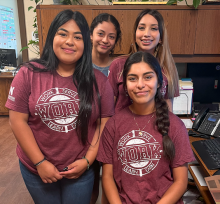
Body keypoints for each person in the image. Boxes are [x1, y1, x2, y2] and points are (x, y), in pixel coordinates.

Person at [5, 10, 114, 204]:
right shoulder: (27, 73)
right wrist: (40, 162)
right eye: (63, 34)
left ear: (85, 44)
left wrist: (88, 160)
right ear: (52, 37)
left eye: (77, 37)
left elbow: (103, 124)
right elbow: (17, 121)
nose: (69, 41)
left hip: (80, 169)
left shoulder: (99, 81)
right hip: (35, 168)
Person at [97, 51, 195, 204]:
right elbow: (107, 177)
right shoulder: (113, 125)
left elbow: (181, 182)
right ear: (125, 85)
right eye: (132, 78)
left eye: (148, 77)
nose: (140, 84)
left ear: (159, 82)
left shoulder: (175, 126)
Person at [108, 9, 179, 113]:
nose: (146, 34)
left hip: (156, 127)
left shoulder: (168, 67)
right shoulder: (118, 65)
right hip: (122, 127)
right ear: (135, 34)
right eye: (141, 28)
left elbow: (169, 109)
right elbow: (107, 108)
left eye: (154, 28)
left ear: (161, 37)